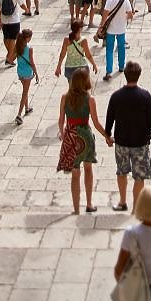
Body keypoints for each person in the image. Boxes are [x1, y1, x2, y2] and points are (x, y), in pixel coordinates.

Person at [105, 61, 151, 211]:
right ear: (139, 75)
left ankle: (123, 201)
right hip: (140, 142)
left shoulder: (116, 96)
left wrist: (107, 135)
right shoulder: (145, 96)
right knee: (139, 176)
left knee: (121, 172)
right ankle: (136, 206)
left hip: (122, 141)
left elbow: (109, 118)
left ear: (125, 75)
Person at [56, 67, 107, 214]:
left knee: (75, 173)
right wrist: (107, 137)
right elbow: (96, 123)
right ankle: (89, 203)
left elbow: (61, 119)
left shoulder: (65, 97)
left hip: (71, 135)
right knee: (88, 169)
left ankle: (76, 208)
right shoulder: (90, 99)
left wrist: (62, 132)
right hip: (85, 135)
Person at [102, 0, 134, 81]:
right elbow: (130, 14)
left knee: (109, 49)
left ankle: (109, 70)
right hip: (121, 28)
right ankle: (121, 67)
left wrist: (102, 25)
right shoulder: (126, 0)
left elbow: (105, 13)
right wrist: (125, 19)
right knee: (121, 48)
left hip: (110, 28)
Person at [14, 28, 39, 125]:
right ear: (28, 38)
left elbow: (12, 57)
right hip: (27, 73)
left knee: (25, 90)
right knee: (25, 92)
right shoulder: (29, 48)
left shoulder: (17, 46)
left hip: (20, 72)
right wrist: (36, 73)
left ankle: (27, 108)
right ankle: (19, 114)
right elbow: (32, 63)